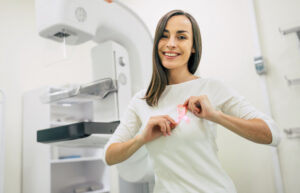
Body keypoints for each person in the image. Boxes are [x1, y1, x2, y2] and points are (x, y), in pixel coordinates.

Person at [104, 10, 281, 193]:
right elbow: (110, 155)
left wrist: (215, 116)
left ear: (193, 46)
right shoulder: (142, 100)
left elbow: (273, 134)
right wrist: (141, 138)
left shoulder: (211, 88)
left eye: (181, 37)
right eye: (164, 37)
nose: (171, 44)